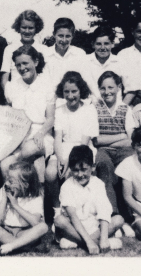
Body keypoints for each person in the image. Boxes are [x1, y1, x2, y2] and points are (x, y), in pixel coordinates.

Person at [0, 46, 55, 182]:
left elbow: (51, 118)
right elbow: (10, 116)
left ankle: (33, 193)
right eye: (18, 65)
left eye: (25, 63)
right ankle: (16, 197)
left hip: (41, 135)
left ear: (35, 62)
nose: (21, 68)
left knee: (29, 150)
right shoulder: (11, 87)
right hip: (19, 136)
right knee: (4, 165)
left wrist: (41, 133)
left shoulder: (47, 85)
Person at [54, 145, 124, 253]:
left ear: (93, 167)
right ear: (70, 169)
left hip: (94, 227)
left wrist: (104, 237)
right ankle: (95, 243)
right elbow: (73, 217)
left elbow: (104, 211)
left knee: (118, 219)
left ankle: (78, 242)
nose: (80, 174)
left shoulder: (98, 184)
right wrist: (89, 242)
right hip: (74, 228)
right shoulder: (66, 186)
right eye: (76, 170)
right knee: (59, 221)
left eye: (84, 170)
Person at [46, 71, 98, 211]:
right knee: (50, 173)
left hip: (83, 149)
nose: (70, 96)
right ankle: (57, 209)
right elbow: (58, 138)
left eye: (74, 91)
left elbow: (84, 142)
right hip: (64, 148)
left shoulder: (89, 110)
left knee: (72, 173)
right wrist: (60, 158)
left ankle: (78, 210)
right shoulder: (60, 110)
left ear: (81, 90)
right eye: (66, 92)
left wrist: (69, 161)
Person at [92, 71, 136, 225]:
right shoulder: (95, 108)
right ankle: (112, 214)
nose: (107, 92)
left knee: (130, 166)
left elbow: (131, 141)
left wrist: (109, 141)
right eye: (103, 88)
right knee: (104, 166)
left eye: (111, 87)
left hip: (124, 150)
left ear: (119, 88)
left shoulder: (126, 109)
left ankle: (131, 214)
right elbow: (96, 140)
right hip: (102, 151)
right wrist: (121, 136)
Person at [0, 161, 48, 255]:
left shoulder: (36, 196)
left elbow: (35, 222)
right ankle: (26, 246)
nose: (6, 183)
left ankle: (9, 247)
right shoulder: (4, 190)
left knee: (43, 227)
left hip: (25, 231)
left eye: (11, 181)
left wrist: (15, 205)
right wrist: (4, 199)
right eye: (7, 179)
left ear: (25, 185)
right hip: (7, 231)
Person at [43, 18, 94, 95]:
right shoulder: (45, 55)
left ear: (72, 36)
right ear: (54, 34)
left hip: (73, 100)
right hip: (50, 100)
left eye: (67, 36)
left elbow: (88, 80)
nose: (64, 40)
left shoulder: (79, 54)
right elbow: (44, 83)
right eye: (60, 36)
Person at [0, 10, 48, 90]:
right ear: (18, 28)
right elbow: (4, 79)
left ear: (36, 29)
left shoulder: (44, 49)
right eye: (24, 27)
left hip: (38, 94)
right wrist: (9, 96)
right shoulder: (10, 49)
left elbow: (46, 77)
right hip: (16, 94)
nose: (27, 31)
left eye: (31, 28)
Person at [87, 25, 121, 98]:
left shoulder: (120, 62)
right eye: (98, 44)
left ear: (112, 44)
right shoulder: (85, 61)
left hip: (115, 107)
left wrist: (121, 108)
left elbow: (130, 89)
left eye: (106, 44)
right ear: (93, 45)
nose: (102, 48)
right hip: (91, 106)